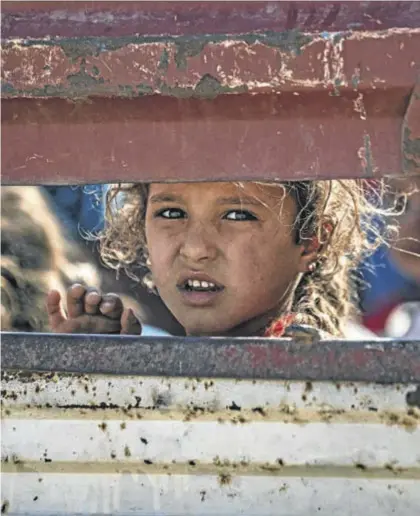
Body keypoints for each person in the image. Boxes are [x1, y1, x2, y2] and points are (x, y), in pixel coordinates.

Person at [46, 179, 405, 338]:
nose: (195, 248)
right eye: (171, 214)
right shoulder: (145, 345)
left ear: (311, 240)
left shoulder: (351, 375)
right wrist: (92, 368)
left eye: (236, 216)